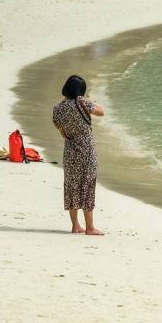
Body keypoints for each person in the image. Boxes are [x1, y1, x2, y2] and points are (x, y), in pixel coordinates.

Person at [52, 75, 106, 235]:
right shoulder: (82, 102)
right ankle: (89, 227)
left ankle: (75, 225)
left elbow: (61, 130)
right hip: (86, 149)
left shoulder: (57, 108)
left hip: (70, 149)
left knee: (72, 185)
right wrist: (90, 101)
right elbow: (101, 112)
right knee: (88, 184)